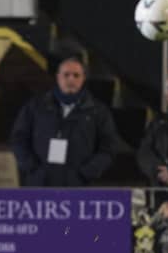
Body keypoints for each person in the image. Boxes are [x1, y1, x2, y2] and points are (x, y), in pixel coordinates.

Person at [9, 55, 118, 187]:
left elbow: (108, 148)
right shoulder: (36, 107)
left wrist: (86, 172)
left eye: (76, 75)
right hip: (40, 183)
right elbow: (18, 139)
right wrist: (33, 168)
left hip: (79, 185)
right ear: (58, 77)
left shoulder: (97, 111)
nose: (71, 79)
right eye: (66, 75)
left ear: (83, 78)